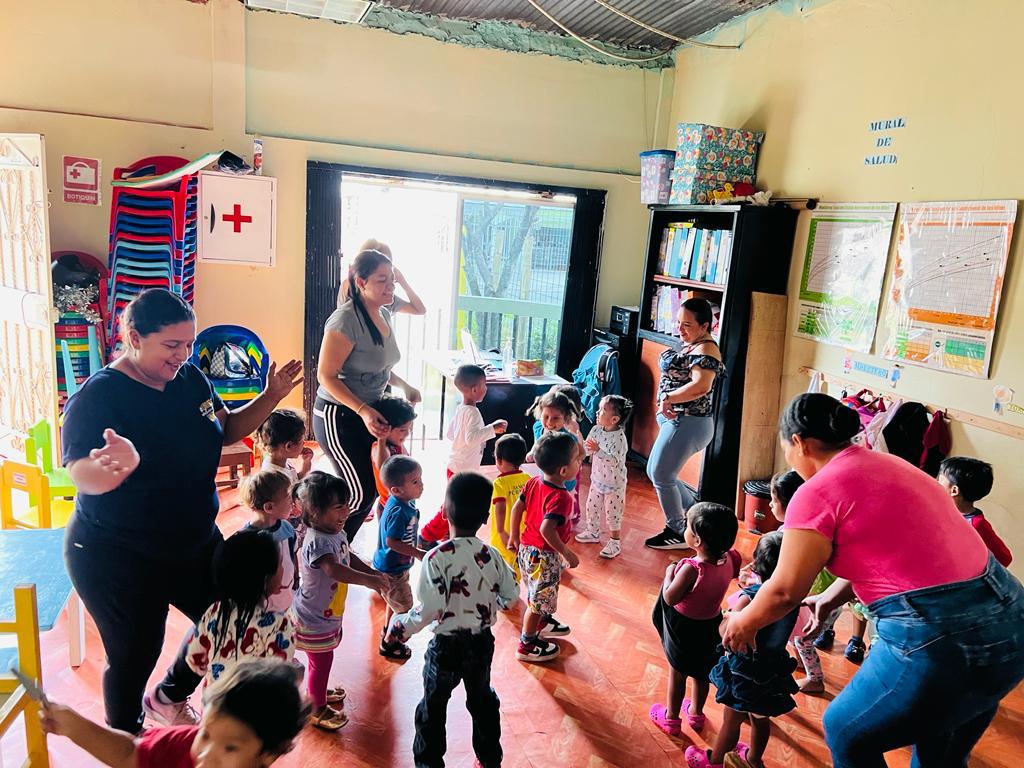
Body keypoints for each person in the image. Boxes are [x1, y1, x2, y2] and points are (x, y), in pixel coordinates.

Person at [721, 393, 1024, 767]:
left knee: (846, 731)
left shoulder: (816, 491)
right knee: (940, 742)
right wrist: (830, 597)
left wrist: (743, 622)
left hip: (943, 637)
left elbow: (784, 590)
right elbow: (897, 551)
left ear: (798, 442)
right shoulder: (892, 464)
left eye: (786, 448)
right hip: (1012, 619)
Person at [61, 288, 303, 733]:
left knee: (227, 617)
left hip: (192, 540)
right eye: (172, 345)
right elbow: (80, 473)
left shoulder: (191, 379)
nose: (183, 354)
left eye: (188, 343)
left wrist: (271, 396)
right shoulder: (99, 397)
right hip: (116, 553)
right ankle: (126, 737)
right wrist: (112, 469)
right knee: (135, 652)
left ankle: (168, 697)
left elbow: (226, 429)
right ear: (135, 338)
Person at [386, 472, 519, 768]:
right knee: (482, 701)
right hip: (480, 644)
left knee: (432, 707)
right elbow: (511, 596)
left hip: (445, 648)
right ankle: (489, 760)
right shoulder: (492, 555)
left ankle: (429, 764)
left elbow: (428, 609)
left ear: (445, 512)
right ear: (485, 518)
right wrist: (492, 605)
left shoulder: (436, 558)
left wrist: (400, 627)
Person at [314, 247, 426, 544]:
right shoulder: (345, 320)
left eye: (392, 280)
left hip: (368, 411)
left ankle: (339, 547)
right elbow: (325, 375)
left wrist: (404, 385)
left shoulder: (384, 313)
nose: (390, 287)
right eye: (381, 280)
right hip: (337, 414)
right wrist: (362, 409)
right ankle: (321, 543)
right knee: (359, 491)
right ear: (361, 282)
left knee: (373, 485)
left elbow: (378, 367)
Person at [41, 659, 308, 768]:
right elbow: (129, 754)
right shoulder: (184, 743)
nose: (206, 755)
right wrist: (73, 725)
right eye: (205, 735)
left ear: (267, 754)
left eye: (230, 748)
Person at [687, 531, 799, 768]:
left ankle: (714, 761)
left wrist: (727, 615)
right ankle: (754, 759)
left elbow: (726, 632)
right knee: (760, 719)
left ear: (756, 564)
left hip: (744, 672)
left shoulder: (747, 598)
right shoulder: (792, 600)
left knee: (731, 720)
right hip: (771, 670)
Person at [292, 471, 387, 730]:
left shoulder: (335, 532)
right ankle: (316, 707)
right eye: (338, 507)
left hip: (326, 612)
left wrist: (372, 572)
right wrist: (368, 581)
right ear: (315, 512)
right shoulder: (317, 540)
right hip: (313, 617)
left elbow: (347, 556)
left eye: (346, 504)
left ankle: (316, 690)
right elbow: (334, 569)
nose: (347, 511)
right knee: (321, 661)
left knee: (320, 661)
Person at [155, 529, 293, 693]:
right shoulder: (279, 625)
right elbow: (281, 677)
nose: (284, 569)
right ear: (265, 579)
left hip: (215, 701)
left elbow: (195, 661)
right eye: (280, 564)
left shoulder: (213, 612)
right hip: (255, 705)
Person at [649, 502, 739, 738]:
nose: (685, 529)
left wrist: (669, 572)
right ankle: (696, 713)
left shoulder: (692, 568)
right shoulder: (732, 558)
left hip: (684, 628)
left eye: (688, 526)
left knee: (678, 673)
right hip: (711, 624)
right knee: (702, 672)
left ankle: (671, 718)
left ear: (697, 540)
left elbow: (670, 598)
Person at [645, 298, 725, 551]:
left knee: (661, 474)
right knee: (655, 472)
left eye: (687, 325)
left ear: (705, 326)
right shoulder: (694, 344)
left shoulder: (707, 351)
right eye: (678, 322)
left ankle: (678, 531)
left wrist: (668, 397)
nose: (680, 329)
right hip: (678, 421)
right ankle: (696, 511)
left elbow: (701, 386)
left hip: (689, 422)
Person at [509, 432, 582, 663]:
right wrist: (566, 552)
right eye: (577, 459)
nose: (580, 462)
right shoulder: (561, 498)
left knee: (539, 593)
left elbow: (517, 509)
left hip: (527, 550)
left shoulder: (533, 482)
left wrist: (513, 536)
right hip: (544, 556)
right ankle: (527, 644)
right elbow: (547, 530)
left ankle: (542, 622)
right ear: (564, 470)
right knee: (537, 602)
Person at [419, 364, 507, 546]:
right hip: (462, 469)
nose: (486, 388)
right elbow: (471, 438)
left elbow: (451, 434)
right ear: (474, 390)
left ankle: (446, 535)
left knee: (454, 503)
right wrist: (492, 429)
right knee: (452, 506)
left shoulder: (461, 408)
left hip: (455, 464)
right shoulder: (473, 412)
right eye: (484, 385)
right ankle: (426, 536)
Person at [767, 469, 837, 694]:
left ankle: (815, 679)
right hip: (822, 597)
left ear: (790, 504)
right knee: (795, 631)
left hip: (817, 600)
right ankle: (800, 659)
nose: (770, 505)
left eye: (774, 500)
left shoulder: (795, 535)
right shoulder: (799, 528)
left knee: (802, 639)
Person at [373, 455, 427, 660]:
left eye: (420, 479)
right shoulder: (398, 510)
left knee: (394, 602)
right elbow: (392, 542)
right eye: (415, 482)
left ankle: (388, 628)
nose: (421, 485)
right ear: (396, 490)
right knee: (404, 608)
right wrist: (418, 553)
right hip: (392, 569)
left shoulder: (405, 502)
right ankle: (390, 643)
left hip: (398, 566)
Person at [576, 395, 633, 558]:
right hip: (597, 479)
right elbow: (588, 449)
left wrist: (598, 450)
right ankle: (593, 531)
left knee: (613, 513)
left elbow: (613, 460)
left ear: (614, 419)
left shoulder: (620, 439)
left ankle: (615, 542)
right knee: (591, 506)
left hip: (614, 484)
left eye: (602, 410)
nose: (597, 412)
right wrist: (579, 448)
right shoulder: (596, 430)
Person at [242, 468, 299, 614]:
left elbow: (293, 555)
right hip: (262, 610)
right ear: (269, 507)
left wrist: (296, 579)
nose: (293, 503)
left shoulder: (287, 528)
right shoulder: (246, 540)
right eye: (289, 499)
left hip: (287, 600)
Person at [939, 456, 1013, 567]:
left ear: (954, 490)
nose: (935, 483)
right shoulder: (944, 511)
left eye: (939, 481)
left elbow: (1004, 558)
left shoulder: (977, 525)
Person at [368, 393, 418, 520]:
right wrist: (381, 439)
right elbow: (383, 467)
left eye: (409, 429)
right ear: (384, 429)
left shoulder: (397, 444)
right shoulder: (380, 448)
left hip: (405, 500)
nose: (407, 433)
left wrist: (412, 405)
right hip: (391, 507)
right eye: (402, 430)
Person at [490, 433, 531, 581]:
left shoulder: (499, 483)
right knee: (516, 574)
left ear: (499, 460)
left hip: (504, 539)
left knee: (500, 574)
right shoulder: (528, 479)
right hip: (523, 537)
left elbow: (500, 507)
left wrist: (501, 531)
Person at [256, 408, 313, 483]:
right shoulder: (275, 478)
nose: (304, 443)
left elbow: (296, 479)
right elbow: (294, 488)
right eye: (302, 441)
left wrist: (306, 463)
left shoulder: (280, 461)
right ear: (288, 446)